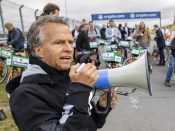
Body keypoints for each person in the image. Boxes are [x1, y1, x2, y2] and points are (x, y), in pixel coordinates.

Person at [9, 15, 118, 131]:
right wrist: (80, 91)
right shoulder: (25, 95)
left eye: (70, 42)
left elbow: (85, 125)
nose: (69, 49)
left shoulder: (66, 78)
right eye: (59, 42)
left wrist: (100, 108)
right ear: (38, 50)